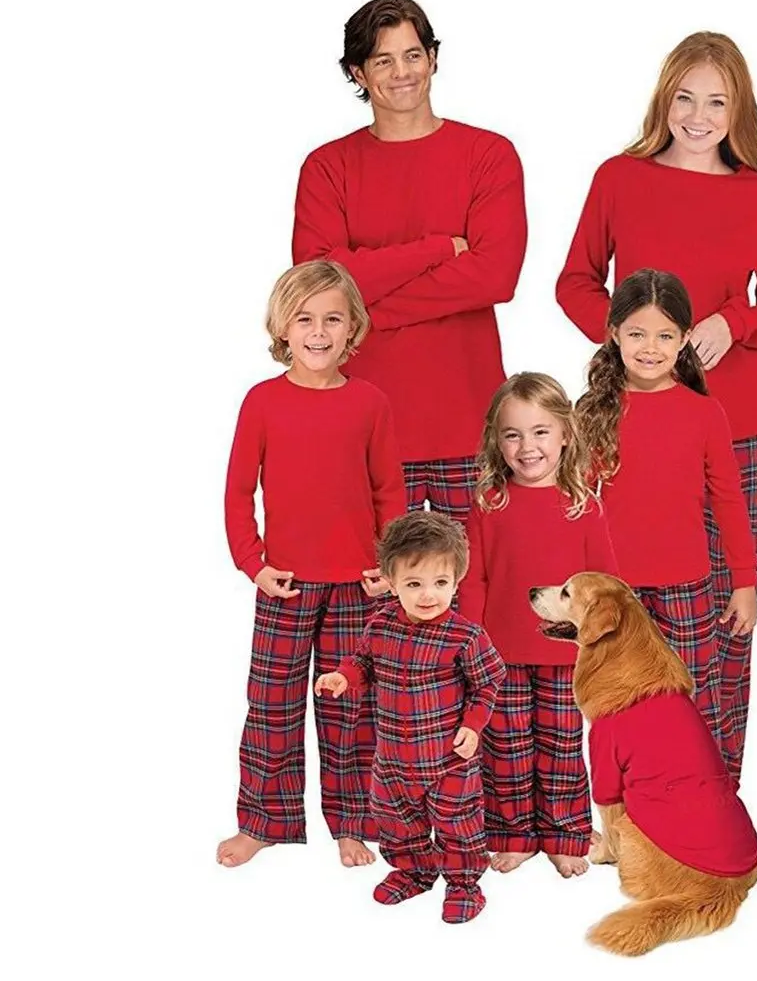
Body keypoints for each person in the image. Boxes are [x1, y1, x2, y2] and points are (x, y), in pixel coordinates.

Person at [557, 32, 757, 779]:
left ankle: (714, 782)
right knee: (628, 605)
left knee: (727, 608)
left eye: (717, 102)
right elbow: (575, 283)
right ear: (664, 100)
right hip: (630, 422)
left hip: (740, 423)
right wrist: (633, 341)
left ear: (739, 110)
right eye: (685, 98)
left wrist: (737, 322)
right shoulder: (619, 178)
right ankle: (637, 782)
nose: (699, 116)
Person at [293, 0, 527, 527]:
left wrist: (364, 306)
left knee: (477, 577)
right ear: (358, 73)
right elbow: (318, 287)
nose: (402, 72)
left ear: (433, 59)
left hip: (468, 421)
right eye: (383, 60)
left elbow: (495, 276)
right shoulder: (327, 168)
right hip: (362, 423)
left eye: (413, 55)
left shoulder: (489, 155)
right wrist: (438, 249)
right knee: (368, 576)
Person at [216, 261, 406, 869]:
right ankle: (263, 821)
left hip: (357, 585)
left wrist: (390, 564)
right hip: (284, 584)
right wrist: (253, 564)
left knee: (350, 709)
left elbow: (389, 492)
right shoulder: (262, 401)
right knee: (272, 706)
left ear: (353, 328)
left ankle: (352, 823)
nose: (318, 332)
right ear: (282, 327)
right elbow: (237, 492)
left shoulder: (371, 402)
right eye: (304, 319)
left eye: (332, 319)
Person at [575, 269, 757, 764]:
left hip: (687, 587)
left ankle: (707, 795)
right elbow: (577, 501)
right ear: (615, 334)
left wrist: (744, 584)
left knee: (694, 707)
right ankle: (635, 798)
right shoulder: (594, 412)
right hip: (618, 592)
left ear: (684, 339)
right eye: (637, 334)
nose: (650, 348)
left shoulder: (704, 413)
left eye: (664, 335)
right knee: (622, 705)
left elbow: (729, 501)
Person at [457, 373, 618, 878]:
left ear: (565, 434)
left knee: (562, 747)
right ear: (497, 441)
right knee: (505, 748)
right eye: (513, 435)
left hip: (565, 656)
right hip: (499, 654)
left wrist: (603, 645)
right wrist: (471, 643)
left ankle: (565, 833)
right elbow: (475, 580)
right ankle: (512, 834)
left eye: (540, 432)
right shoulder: (488, 504)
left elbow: (604, 583)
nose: (527, 447)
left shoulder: (583, 505)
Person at [315, 512, 506, 924]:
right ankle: (414, 871)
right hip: (393, 757)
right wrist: (342, 677)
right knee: (395, 817)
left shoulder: (466, 636)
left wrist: (473, 725)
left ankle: (463, 884)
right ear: (391, 581)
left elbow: (488, 683)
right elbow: (362, 662)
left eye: (440, 582)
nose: (428, 595)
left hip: (448, 757)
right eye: (414, 584)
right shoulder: (381, 624)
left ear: (456, 581)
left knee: (457, 821)